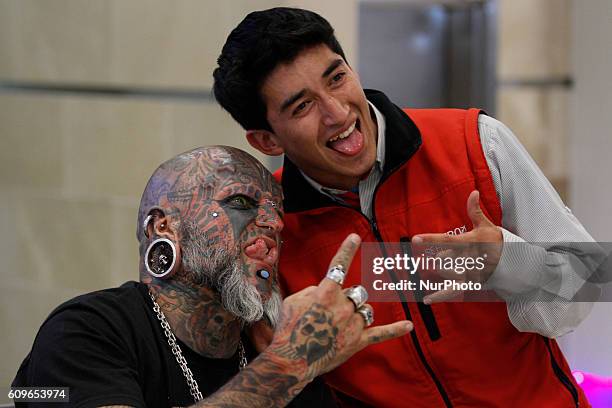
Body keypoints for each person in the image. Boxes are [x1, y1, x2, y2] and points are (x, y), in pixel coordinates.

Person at [213, 7, 603, 407]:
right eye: (302, 107)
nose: (338, 112)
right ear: (266, 141)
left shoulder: (477, 143)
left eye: (337, 78)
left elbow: (587, 285)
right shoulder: (267, 228)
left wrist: (508, 263)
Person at [12, 146, 412, 407]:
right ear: (162, 228)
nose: (272, 223)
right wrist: (288, 367)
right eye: (240, 202)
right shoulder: (86, 331)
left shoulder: (271, 348)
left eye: (277, 211)